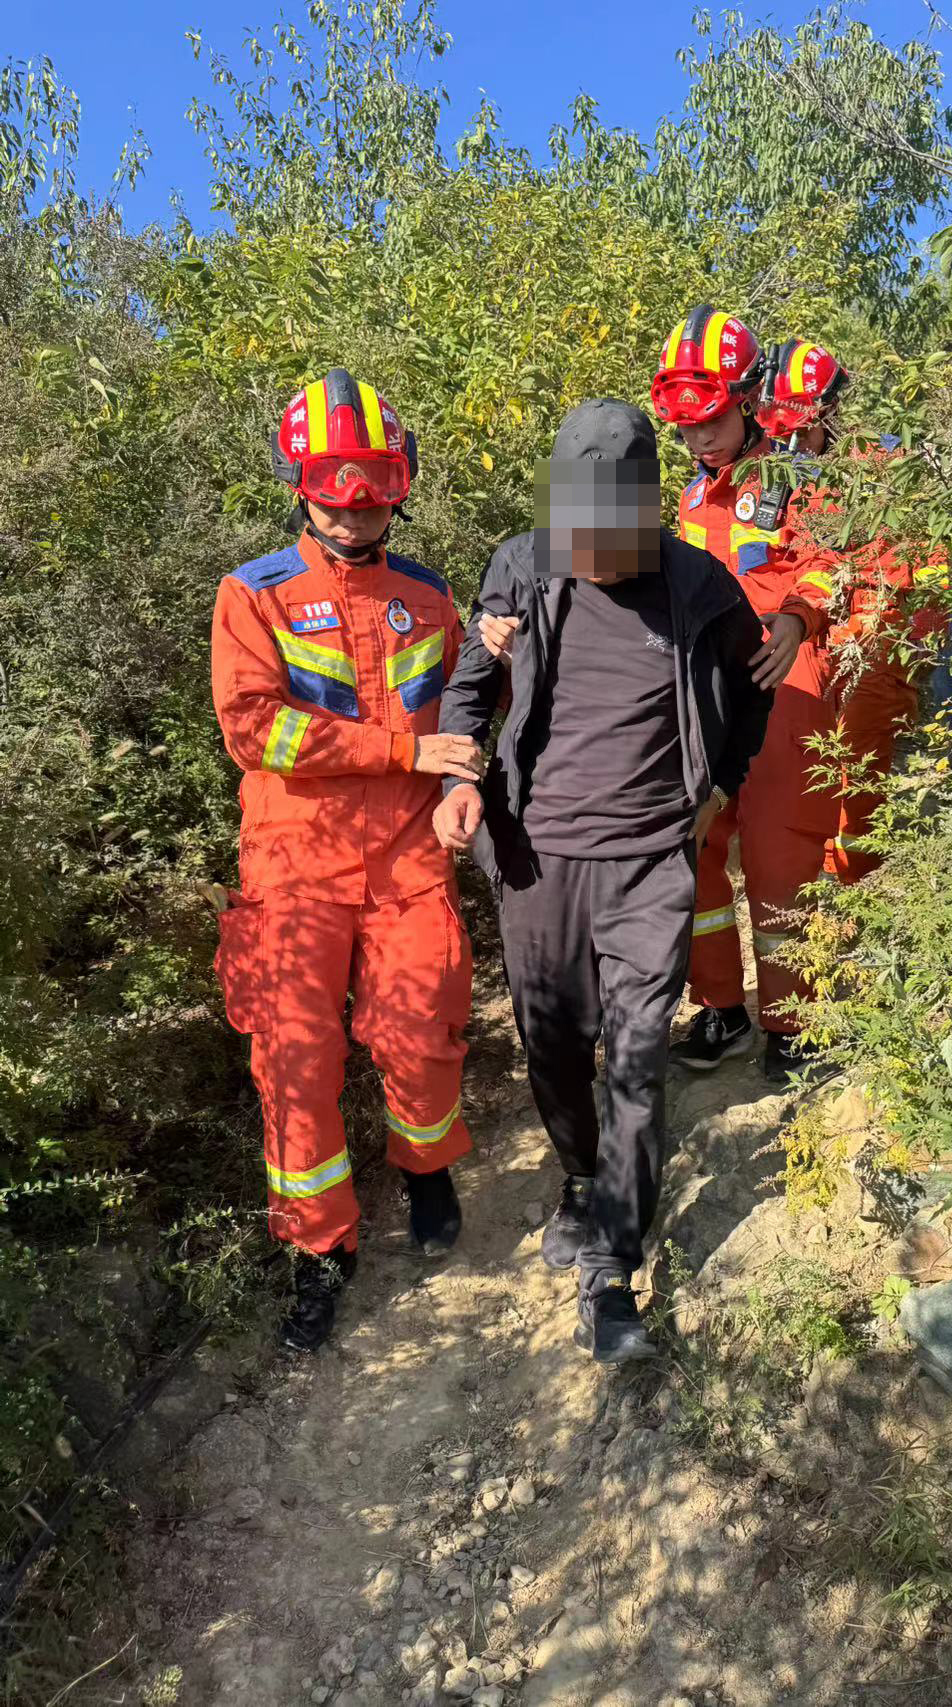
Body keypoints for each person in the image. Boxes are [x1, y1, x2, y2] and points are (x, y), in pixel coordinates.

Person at [433, 398, 771, 1364]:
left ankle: (615, 1261)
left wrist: (723, 788)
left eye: (605, 539)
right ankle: (581, 1180)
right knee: (552, 1044)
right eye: (572, 534)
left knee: (635, 1055)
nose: (587, 554)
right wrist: (460, 778)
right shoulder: (521, 564)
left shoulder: (698, 584)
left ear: (645, 515)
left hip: (651, 862)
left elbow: (753, 686)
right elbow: (470, 677)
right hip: (537, 858)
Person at [210, 368, 483, 1354]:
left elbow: (465, 711)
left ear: (400, 480)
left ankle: (424, 1169)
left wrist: (461, 785)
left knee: (421, 1028)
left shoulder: (426, 594)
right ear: (300, 481)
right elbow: (254, 732)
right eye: (336, 480)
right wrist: (402, 754)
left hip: (408, 857)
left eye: (374, 479)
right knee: (293, 1064)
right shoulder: (253, 594)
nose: (357, 502)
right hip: (293, 866)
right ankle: (319, 1250)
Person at [649, 307, 840, 1081]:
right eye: (687, 428)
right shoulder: (692, 501)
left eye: (714, 420)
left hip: (783, 677)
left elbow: (830, 560)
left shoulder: (796, 479)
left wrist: (799, 617)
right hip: (710, 687)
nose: (700, 440)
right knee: (694, 843)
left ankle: (796, 1025)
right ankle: (722, 1006)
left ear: (749, 396)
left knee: (779, 853)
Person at [755, 338, 940, 885]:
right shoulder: (788, 476)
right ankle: (810, 890)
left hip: (877, 649)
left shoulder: (888, 468)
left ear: (829, 412)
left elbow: (923, 567)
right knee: (806, 771)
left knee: (857, 776)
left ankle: (854, 895)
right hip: (813, 644)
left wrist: (915, 646)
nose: (791, 442)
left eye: (798, 428)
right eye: (781, 431)